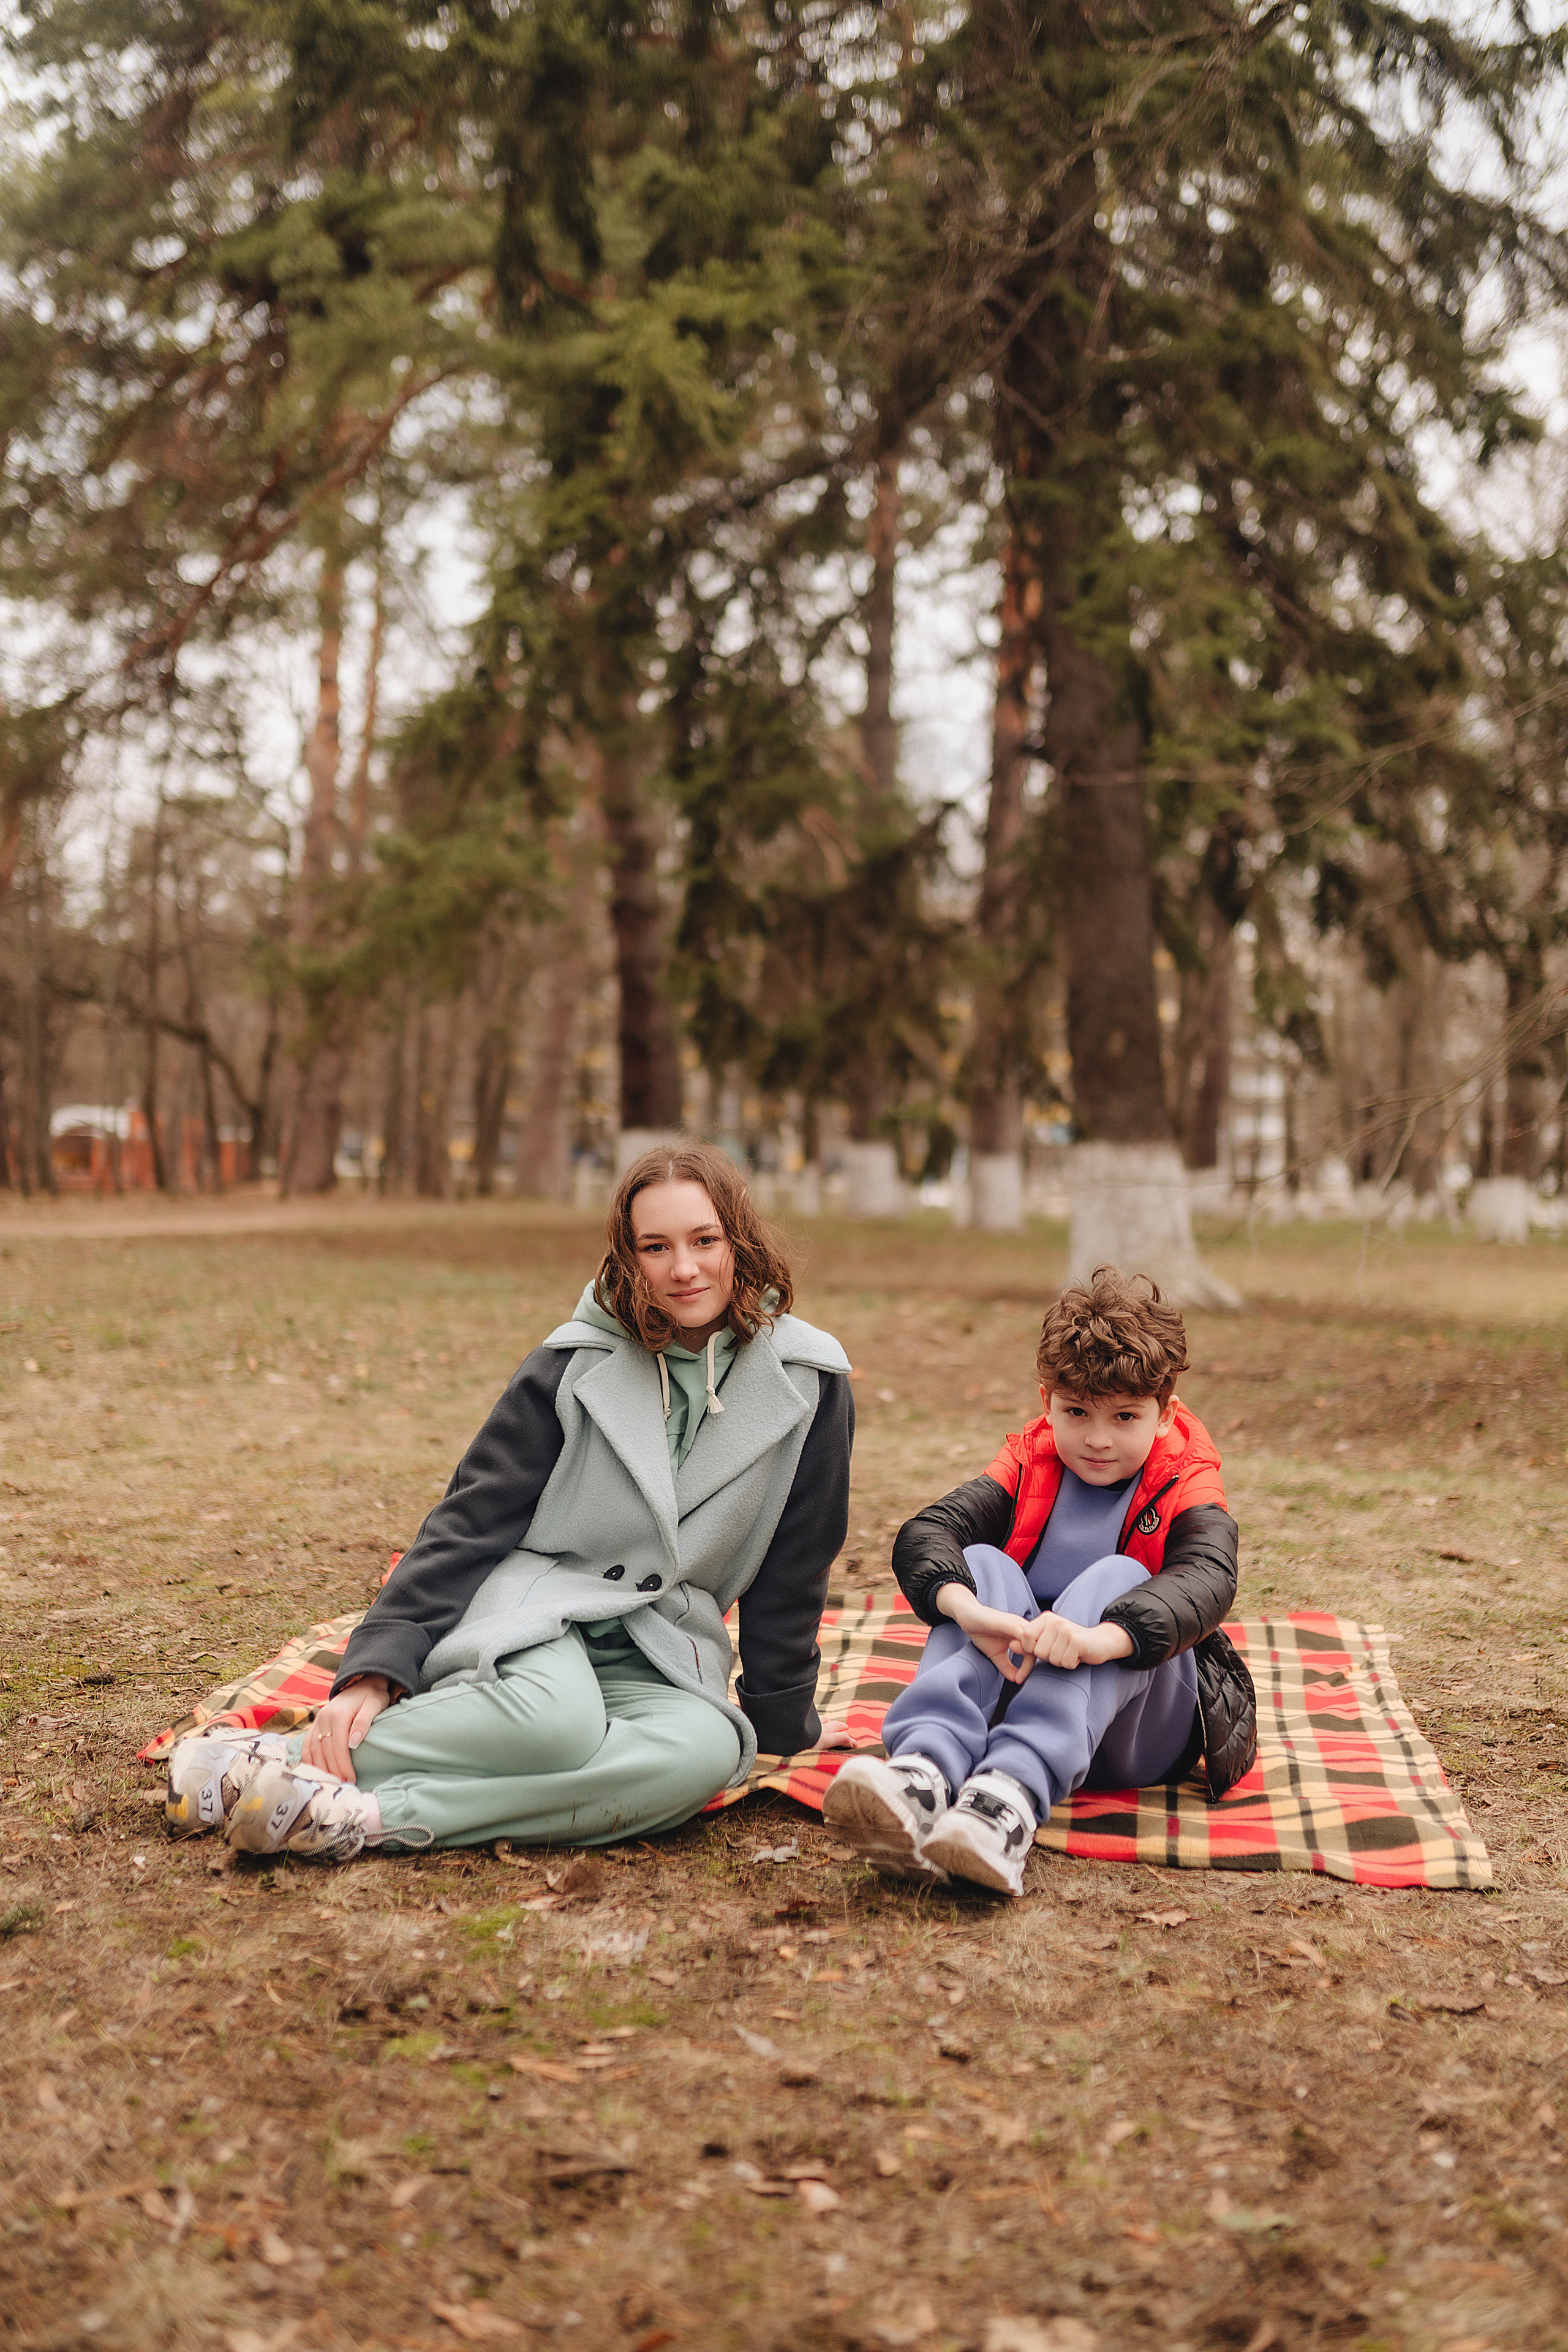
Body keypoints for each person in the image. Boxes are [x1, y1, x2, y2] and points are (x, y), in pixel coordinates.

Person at [164, 1143, 854, 1863]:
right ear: (628, 1257)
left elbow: (794, 1567)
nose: (684, 1269)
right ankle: (260, 1759)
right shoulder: (573, 1362)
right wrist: (380, 1664)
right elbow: (471, 1518)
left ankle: (357, 1816)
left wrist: (784, 1724)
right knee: (555, 1725)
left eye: (704, 1240)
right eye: (657, 1246)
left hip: (663, 1646)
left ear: (738, 1241)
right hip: (539, 1607)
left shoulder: (810, 1383)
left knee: (709, 1753)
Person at [824, 1265, 1256, 1898]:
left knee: (1117, 1577)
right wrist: (967, 1610)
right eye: (1075, 1412)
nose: (1097, 1439)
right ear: (1045, 1401)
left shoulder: (1187, 1478)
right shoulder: (1032, 1456)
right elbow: (927, 1535)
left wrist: (1101, 1639)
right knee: (982, 1567)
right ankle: (923, 1774)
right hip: (1017, 1685)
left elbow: (1207, 1580)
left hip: (1133, 1725)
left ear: (1164, 1415)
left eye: (1125, 1417)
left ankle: (1008, 1803)